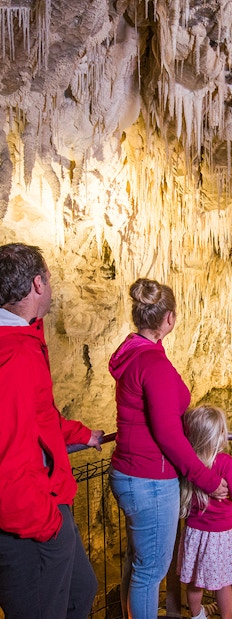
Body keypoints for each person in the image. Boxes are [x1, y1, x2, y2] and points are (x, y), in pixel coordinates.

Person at [108, 278, 228, 619]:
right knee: (152, 571)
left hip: (130, 472)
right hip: (149, 478)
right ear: (169, 319)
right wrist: (205, 478)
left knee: (139, 561)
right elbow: (169, 435)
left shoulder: (133, 353)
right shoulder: (154, 366)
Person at [0, 242, 104, 619]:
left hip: (43, 505)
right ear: (37, 284)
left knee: (81, 590)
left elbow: (36, 417)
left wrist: (80, 434)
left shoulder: (23, 337)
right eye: (49, 278)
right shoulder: (15, 356)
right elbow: (7, 461)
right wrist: (49, 525)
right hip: (29, 523)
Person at [177, 404, 232, 619]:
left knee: (194, 580)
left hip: (194, 532)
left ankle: (197, 615)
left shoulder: (187, 462)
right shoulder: (225, 462)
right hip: (221, 534)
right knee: (223, 582)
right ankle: (227, 617)